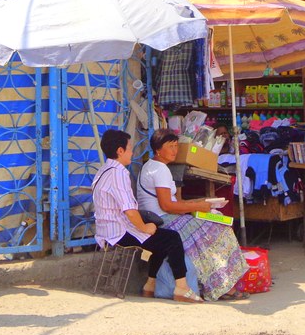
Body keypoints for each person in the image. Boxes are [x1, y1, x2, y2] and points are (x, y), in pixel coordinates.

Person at [92, 129, 201, 303]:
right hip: (119, 232)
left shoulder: (103, 171)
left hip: (106, 230)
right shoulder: (118, 173)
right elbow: (129, 210)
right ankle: (182, 288)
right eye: (129, 148)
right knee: (171, 238)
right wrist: (144, 228)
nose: (132, 152)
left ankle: (150, 285)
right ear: (120, 151)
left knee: (159, 238)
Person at [137, 129, 248, 301]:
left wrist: (201, 203)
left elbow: (171, 202)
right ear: (158, 149)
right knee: (219, 230)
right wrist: (199, 206)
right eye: (170, 146)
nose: (175, 150)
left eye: (176, 146)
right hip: (166, 220)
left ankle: (221, 285)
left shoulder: (149, 166)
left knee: (210, 229)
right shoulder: (160, 170)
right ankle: (225, 287)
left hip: (161, 218)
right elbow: (167, 206)